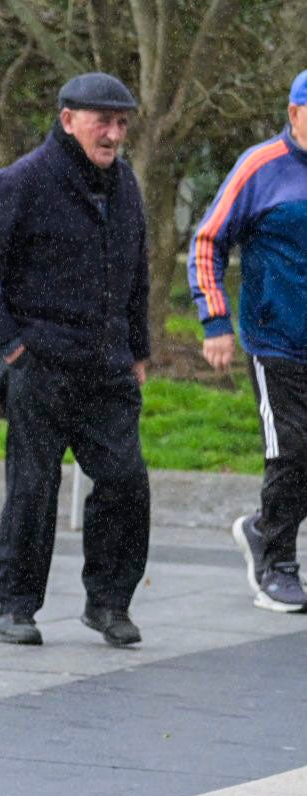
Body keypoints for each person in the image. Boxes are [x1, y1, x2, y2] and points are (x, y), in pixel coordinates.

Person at [0, 72, 152, 649]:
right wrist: (12, 347)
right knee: (33, 488)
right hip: (40, 365)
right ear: (68, 120)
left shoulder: (125, 184)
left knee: (125, 481)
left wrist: (138, 350)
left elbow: (136, 273)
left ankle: (109, 603)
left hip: (108, 367)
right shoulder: (21, 182)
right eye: (101, 122)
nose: (113, 134)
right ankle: (14, 605)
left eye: (120, 123)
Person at [188, 69, 307, 613]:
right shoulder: (261, 168)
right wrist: (216, 321)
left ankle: (262, 529)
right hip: (276, 337)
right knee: (290, 450)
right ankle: (278, 566)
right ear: (294, 113)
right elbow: (209, 238)